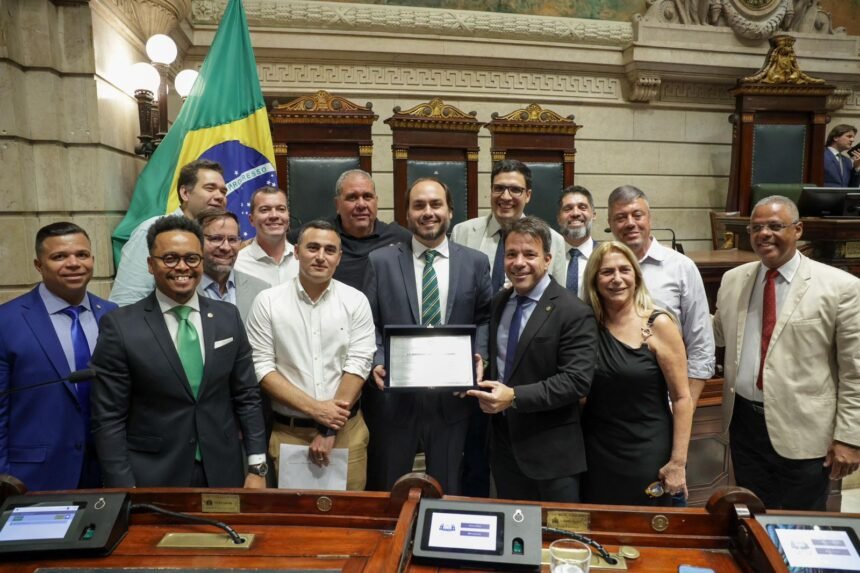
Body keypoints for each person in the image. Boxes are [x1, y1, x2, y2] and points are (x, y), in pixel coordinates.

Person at [91, 215, 267, 488]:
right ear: (151, 265)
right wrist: (122, 486)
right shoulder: (121, 326)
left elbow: (247, 396)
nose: (182, 267)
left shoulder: (227, 317)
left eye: (192, 258)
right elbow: (109, 418)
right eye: (170, 258)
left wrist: (257, 466)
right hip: (153, 475)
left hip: (222, 470)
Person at [713, 196, 860, 510]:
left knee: (800, 524)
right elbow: (716, 334)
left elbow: (855, 371)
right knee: (753, 517)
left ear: (798, 230)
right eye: (756, 228)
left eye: (775, 226)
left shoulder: (841, 287)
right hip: (744, 426)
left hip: (804, 432)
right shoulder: (733, 280)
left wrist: (849, 437)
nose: (764, 234)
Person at [363, 177, 492, 495]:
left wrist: (479, 357)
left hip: (452, 401)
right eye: (418, 205)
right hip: (396, 400)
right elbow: (368, 323)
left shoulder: (475, 262)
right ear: (407, 214)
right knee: (391, 489)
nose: (428, 212)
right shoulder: (380, 262)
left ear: (450, 211)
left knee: (446, 490)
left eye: (436, 204)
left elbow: (484, 318)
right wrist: (378, 359)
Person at [466, 216, 597, 502]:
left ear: (548, 260)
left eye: (529, 254)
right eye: (511, 254)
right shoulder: (499, 303)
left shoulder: (573, 312)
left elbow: (576, 381)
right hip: (504, 448)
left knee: (556, 530)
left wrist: (514, 397)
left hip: (552, 456)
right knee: (513, 527)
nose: (519, 262)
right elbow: (501, 365)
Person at [246, 220, 375, 490]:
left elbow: (359, 364)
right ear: (296, 252)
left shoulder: (356, 301)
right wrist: (318, 410)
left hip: (346, 433)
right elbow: (262, 368)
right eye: (313, 248)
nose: (320, 256)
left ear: (339, 257)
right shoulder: (267, 302)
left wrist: (329, 427)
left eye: (330, 250)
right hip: (289, 433)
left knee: (350, 514)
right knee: (293, 516)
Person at [0, 223, 116, 491]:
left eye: (82, 255)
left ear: (92, 260)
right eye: (59, 256)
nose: (73, 264)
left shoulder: (112, 314)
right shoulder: (7, 322)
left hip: (105, 472)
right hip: (33, 477)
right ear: (38, 265)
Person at [580, 241, 693, 506]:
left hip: (647, 452)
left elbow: (682, 398)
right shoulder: (585, 326)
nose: (617, 279)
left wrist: (678, 463)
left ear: (636, 276)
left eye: (624, 270)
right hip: (596, 453)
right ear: (594, 280)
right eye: (607, 272)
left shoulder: (658, 324)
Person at [607, 185, 714, 406]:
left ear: (650, 218)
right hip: (610, 401)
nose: (630, 223)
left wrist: (685, 406)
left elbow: (701, 345)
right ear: (610, 224)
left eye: (637, 215)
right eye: (621, 217)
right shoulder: (600, 270)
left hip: (667, 402)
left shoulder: (681, 267)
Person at [110, 159, 228, 306]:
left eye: (223, 191)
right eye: (210, 188)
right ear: (185, 193)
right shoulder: (153, 230)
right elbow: (127, 299)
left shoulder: (217, 239)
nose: (220, 196)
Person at [451, 160, 568, 293]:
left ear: (528, 195)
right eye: (499, 188)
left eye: (515, 190)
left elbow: (557, 297)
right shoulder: (462, 232)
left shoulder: (554, 240)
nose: (506, 197)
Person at [297, 169, 411, 290]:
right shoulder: (320, 234)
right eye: (352, 198)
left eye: (367, 197)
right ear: (337, 204)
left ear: (376, 201)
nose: (361, 205)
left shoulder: (399, 237)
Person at [196, 208, 269, 321]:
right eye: (216, 239)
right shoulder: (181, 288)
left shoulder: (261, 290)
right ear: (196, 241)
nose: (226, 247)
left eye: (232, 239)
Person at [235, 186, 299, 286]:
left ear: (288, 216)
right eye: (265, 210)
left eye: (281, 209)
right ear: (251, 220)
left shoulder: (303, 260)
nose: (274, 215)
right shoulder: (237, 264)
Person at [557, 185, 598, 299]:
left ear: (593, 215)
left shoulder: (605, 257)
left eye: (582, 207)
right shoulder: (547, 257)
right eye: (568, 208)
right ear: (559, 218)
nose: (575, 213)